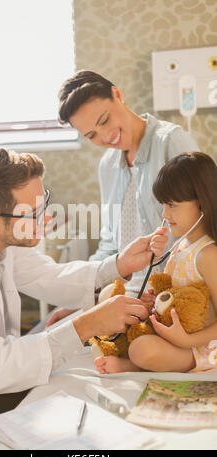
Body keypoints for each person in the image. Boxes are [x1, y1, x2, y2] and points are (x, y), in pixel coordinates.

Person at [0, 148, 168, 449]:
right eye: (34, 212)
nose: (47, 217)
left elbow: (45, 275)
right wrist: (84, 326)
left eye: (43, 202)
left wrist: (117, 266)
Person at [47, 69, 199, 327]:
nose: (105, 137)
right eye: (92, 135)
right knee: (63, 333)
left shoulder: (170, 142)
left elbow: (202, 229)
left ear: (117, 94)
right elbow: (109, 245)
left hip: (172, 292)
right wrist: (81, 299)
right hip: (126, 295)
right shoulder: (108, 166)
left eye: (104, 120)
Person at [95, 152, 217, 374]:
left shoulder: (208, 254)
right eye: (163, 205)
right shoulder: (180, 246)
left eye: (172, 205)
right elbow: (172, 293)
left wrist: (187, 341)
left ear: (202, 204)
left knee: (142, 349)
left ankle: (133, 365)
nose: (164, 213)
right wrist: (152, 300)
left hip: (202, 345)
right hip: (173, 336)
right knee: (120, 321)